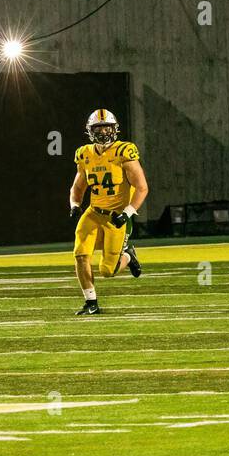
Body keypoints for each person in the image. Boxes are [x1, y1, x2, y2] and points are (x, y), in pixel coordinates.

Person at [67, 109, 148, 315]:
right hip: (94, 212)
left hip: (116, 217)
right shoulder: (84, 154)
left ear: (114, 129)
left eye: (107, 127)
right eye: (99, 128)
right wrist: (75, 205)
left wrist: (128, 212)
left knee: (107, 271)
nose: (103, 132)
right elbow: (77, 187)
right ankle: (91, 301)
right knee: (80, 255)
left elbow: (141, 187)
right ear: (90, 131)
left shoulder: (124, 152)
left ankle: (128, 256)